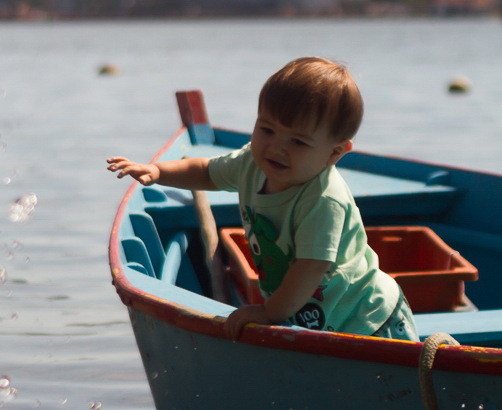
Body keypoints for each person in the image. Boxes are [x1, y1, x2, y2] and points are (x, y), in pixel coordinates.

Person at [106, 57, 419, 341]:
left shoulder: (323, 200)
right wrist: (157, 171)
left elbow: (310, 267)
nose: (276, 148)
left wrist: (270, 313)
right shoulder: (251, 164)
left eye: (297, 141)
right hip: (311, 313)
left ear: (335, 152)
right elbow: (206, 172)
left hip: (366, 319)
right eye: (266, 129)